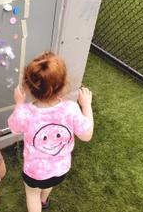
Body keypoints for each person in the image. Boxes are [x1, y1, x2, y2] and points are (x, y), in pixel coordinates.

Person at [8, 52, 94, 212]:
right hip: (60, 170)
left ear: (29, 86)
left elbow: (14, 127)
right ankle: (44, 200)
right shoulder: (71, 109)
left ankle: (39, 201)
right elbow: (86, 135)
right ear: (62, 85)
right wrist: (87, 105)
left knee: (32, 194)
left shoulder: (25, 112)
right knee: (48, 184)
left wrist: (19, 103)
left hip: (34, 172)